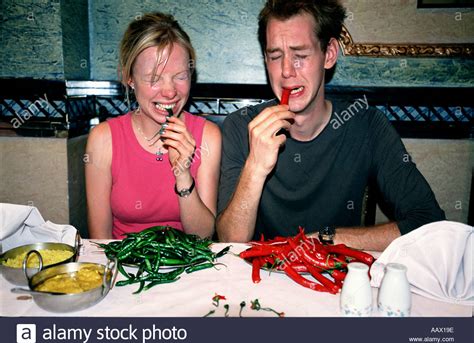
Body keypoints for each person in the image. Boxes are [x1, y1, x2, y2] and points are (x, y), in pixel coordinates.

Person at [216, 0, 445, 250]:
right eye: (275, 56)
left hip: (336, 279)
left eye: (300, 55)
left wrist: (327, 238)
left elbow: (429, 223)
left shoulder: (368, 125)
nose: (286, 72)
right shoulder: (241, 125)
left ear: (330, 54)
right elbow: (230, 243)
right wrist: (255, 168)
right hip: (260, 281)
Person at [86, 13, 221, 239]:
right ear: (130, 78)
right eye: (154, 78)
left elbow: (203, 237)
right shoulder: (102, 139)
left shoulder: (208, 137)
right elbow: (99, 241)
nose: (169, 92)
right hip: (124, 269)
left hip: (188, 268)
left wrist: (183, 175)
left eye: (180, 76)